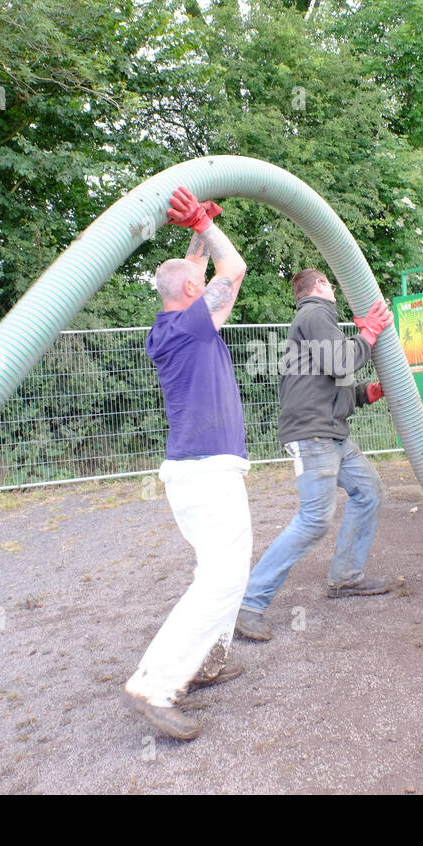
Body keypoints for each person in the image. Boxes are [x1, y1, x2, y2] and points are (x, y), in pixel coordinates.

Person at [124, 186, 251, 741]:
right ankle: (157, 684)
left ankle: (208, 661)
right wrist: (206, 224)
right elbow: (235, 267)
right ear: (194, 293)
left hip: (201, 470)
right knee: (222, 579)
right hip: (205, 472)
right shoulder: (193, 323)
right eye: (200, 284)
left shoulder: (174, 325)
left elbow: (200, 269)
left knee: (222, 573)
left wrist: (199, 233)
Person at [234, 269, 396, 642]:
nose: (336, 291)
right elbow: (341, 362)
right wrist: (368, 333)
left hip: (331, 433)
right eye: (331, 284)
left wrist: (364, 393)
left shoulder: (317, 323)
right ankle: (250, 603)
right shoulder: (314, 313)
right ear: (320, 286)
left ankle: (345, 578)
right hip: (314, 435)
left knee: (368, 491)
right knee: (313, 520)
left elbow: (328, 382)